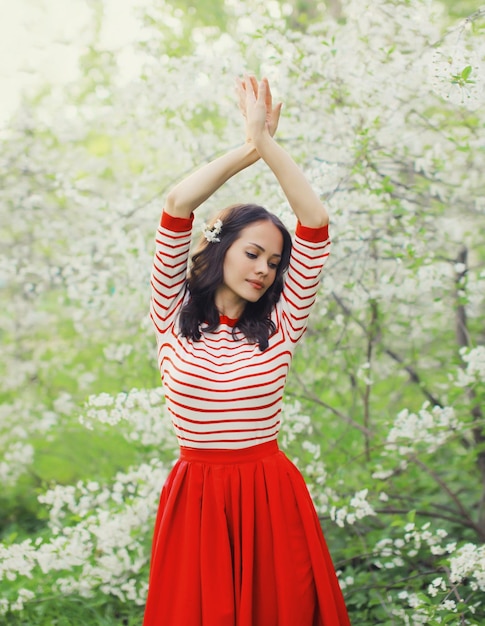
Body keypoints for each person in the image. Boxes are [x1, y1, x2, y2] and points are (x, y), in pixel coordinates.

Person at [143, 74, 351, 626]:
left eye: (274, 263)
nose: (265, 270)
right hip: (198, 500)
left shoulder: (283, 324)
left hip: (269, 496)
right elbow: (177, 201)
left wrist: (271, 145)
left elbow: (315, 223)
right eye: (253, 253)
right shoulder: (170, 312)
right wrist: (250, 145)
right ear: (220, 246)